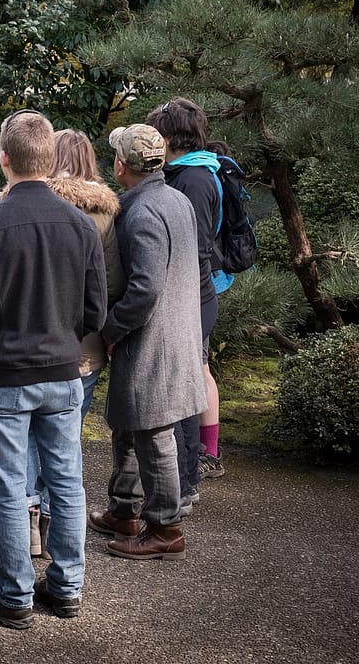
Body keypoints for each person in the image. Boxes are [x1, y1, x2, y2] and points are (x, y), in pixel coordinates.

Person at [0, 110, 106, 630]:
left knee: (10, 489)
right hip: (63, 370)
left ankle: (14, 595)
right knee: (67, 481)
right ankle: (66, 588)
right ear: (51, 161)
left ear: (4, 158)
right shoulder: (82, 226)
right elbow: (95, 312)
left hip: (6, 375)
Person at [88, 124, 205, 561]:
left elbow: (144, 290)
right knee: (129, 426)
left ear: (122, 165)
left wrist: (110, 329)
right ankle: (125, 510)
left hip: (151, 339)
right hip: (178, 330)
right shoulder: (177, 199)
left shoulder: (139, 212)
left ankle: (166, 527)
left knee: (154, 432)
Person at [21, 129, 125, 558]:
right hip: (84, 346)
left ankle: (26, 518)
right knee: (65, 438)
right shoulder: (106, 212)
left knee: (25, 434)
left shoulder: (32, 203)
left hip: (30, 340)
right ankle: (51, 518)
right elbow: (114, 282)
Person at [147, 97, 224, 499]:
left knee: (181, 391)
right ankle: (188, 477)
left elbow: (189, 249)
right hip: (193, 295)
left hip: (188, 298)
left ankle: (184, 480)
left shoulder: (192, 180)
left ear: (171, 136)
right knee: (190, 382)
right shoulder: (191, 173)